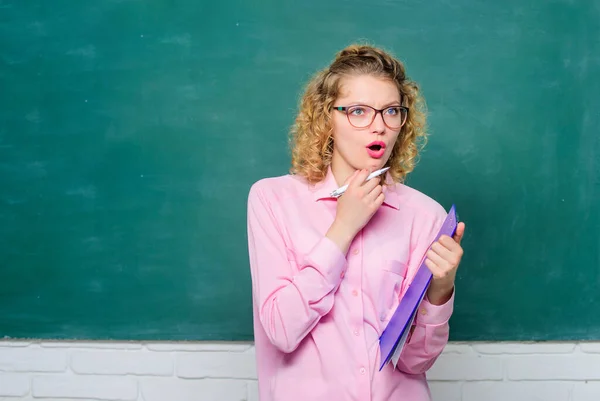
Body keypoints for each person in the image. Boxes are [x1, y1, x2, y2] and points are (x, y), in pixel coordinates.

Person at [246, 43, 466, 401]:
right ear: (325, 118)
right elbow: (282, 331)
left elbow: (415, 363)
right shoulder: (272, 200)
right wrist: (343, 228)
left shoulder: (425, 215)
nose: (378, 126)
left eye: (391, 111)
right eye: (359, 111)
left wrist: (441, 290)